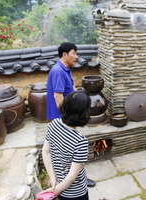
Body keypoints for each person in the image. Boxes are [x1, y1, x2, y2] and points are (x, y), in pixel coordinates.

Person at [46, 42, 96, 187]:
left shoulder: (65, 69)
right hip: (63, 118)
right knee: (69, 151)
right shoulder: (58, 71)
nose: (76, 56)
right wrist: (67, 117)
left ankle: (76, 176)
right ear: (65, 54)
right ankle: (73, 179)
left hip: (67, 118)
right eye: (74, 53)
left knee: (69, 150)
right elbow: (58, 96)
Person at [42, 90, 91, 199]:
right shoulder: (80, 141)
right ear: (84, 113)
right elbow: (72, 177)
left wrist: (53, 180)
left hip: (59, 186)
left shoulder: (53, 124)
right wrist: (56, 190)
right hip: (76, 193)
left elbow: (45, 151)